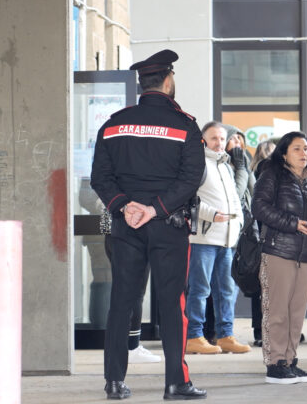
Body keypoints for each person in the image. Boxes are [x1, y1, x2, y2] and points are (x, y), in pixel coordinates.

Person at [90, 49, 207, 400]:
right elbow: (191, 179)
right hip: (169, 226)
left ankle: (113, 382)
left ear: (142, 85)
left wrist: (126, 207)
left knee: (122, 302)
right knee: (173, 305)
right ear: (168, 81)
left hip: (126, 226)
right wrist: (154, 208)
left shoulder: (114, 123)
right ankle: (176, 383)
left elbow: (100, 177)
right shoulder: (184, 124)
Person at [252, 131, 307, 384]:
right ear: (284, 153)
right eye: (297, 148)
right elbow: (259, 208)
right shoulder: (272, 175)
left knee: (297, 313)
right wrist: (293, 224)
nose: (304, 153)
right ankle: (275, 364)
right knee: (277, 312)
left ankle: (290, 361)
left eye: (306, 148)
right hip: (278, 251)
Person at [185, 121, 249, 355]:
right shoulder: (197, 163)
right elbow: (187, 198)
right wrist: (211, 215)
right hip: (204, 239)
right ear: (203, 140)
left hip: (227, 240)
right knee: (200, 290)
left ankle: (225, 335)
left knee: (226, 290)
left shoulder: (226, 166)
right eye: (214, 138)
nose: (219, 143)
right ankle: (194, 336)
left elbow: (235, 198)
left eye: (222, 139)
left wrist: (238, 221)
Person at [249, 140, 276, 347]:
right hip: (269, 236)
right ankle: (265, 331)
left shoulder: (254, 170)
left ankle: (260, 331)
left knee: (261, 286)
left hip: (259, 235)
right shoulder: (270, 170)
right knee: (270, 287)